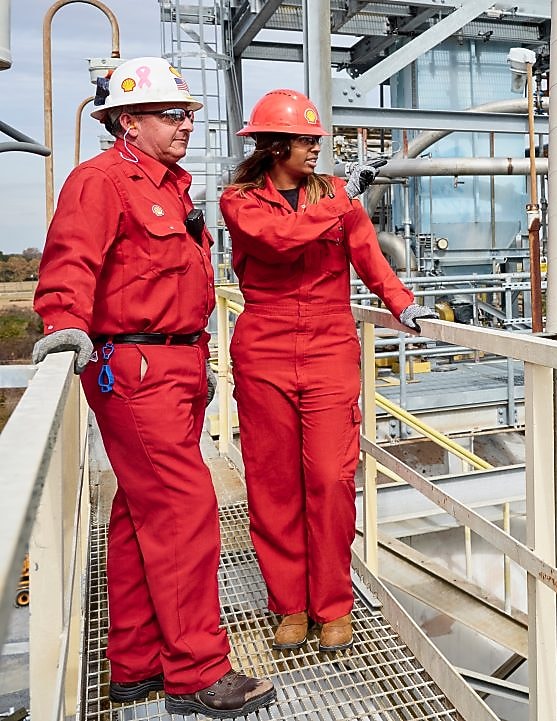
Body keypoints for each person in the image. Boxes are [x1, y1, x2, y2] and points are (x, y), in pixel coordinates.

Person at [31, 57, 276, 717]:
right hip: (137, 372)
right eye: (172, 113)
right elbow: (70, 260)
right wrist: (63, 322)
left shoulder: (168, 186)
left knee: (141, 515)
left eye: (187, 112)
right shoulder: (103, 181)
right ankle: (198, 673)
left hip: (176, 366)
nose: (186, 123)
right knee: (182, 511)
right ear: (127, 121)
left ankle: (136, 664)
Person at [220, 89, 436, 653]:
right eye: (305, 140)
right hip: (265, 348)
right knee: (273, 485)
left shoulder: (338, 197)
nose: (316, 148)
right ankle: (289, 605)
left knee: (331, 480)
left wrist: (403, 304)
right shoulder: (240, 201)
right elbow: (280, 241)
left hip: (329, 347)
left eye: (317, 140)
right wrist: (345, 200)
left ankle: (332, 604)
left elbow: (368, 255)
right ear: (273, 146)